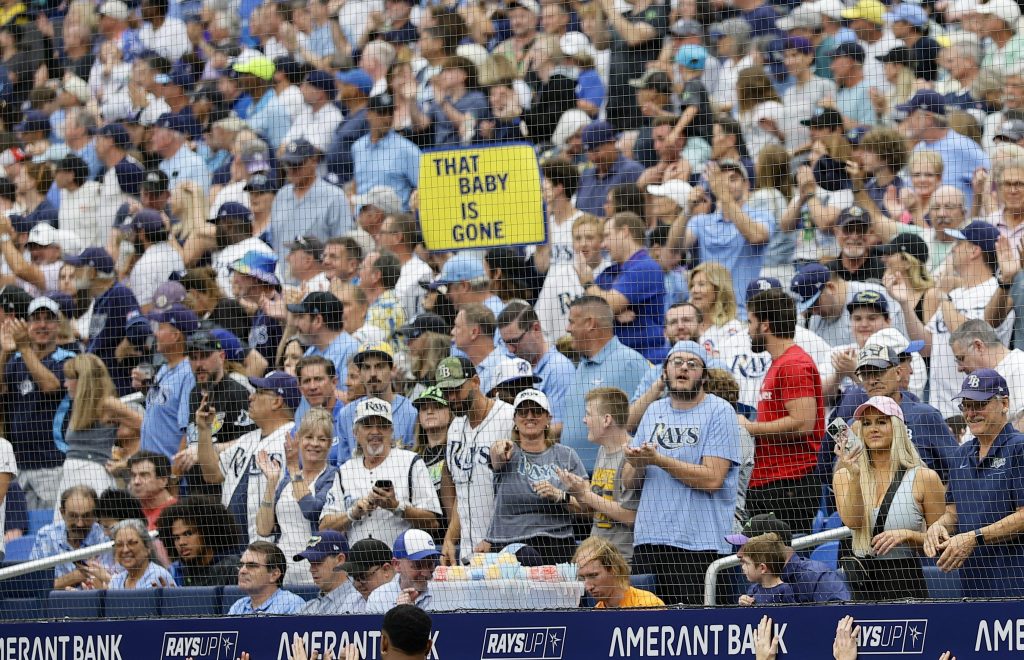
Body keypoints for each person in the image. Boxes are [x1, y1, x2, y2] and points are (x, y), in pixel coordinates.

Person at [626, 340, 740, 605]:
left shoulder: (719, 411)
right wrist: (639, 461)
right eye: (677, 362)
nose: (684, 368)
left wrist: (659, 460)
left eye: (692, 364)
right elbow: (629, 481)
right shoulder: (653, 411)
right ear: (664, 371)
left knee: (695, 624)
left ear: (704, 376)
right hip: (649, 540)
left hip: (699, 545)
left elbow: (712, 478)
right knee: (648, 623)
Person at [833, 396, 945, 601]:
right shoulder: (844, 476)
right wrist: (855, 476)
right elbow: (853, 521)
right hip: (861, 582)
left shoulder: (924, 478)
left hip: (904, 580)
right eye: (866, 423)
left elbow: (940, 542)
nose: (873, 429)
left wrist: (908, 536)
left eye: (882, 421)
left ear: (897, 427)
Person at [924, 370, 1024, 598]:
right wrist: (938, 526)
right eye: (966, 406)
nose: (970, 413)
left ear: (1004, 403)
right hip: (974, 584)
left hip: (1016, 583)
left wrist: (974, 537)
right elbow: (953, 513)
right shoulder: (961, 454)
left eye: (979, 405)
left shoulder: (1019, 448)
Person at [743, 289, 825, 536]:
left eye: (750, 322)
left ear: (765, 325)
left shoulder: (793, 364)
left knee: (781, 558)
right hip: (773, 482)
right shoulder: (780, 363)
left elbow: (802, 424)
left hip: (789, 484)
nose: (748, 330)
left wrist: (749, 427)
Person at [320, 398, 441, 546]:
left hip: (401, 558)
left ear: (391, 431)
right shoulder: (345, 471)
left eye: (382, 425)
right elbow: (324, 527)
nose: (375, 432)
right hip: (358, 559)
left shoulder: (411, 462)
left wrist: (396, 507)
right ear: (355, 432)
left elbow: (433, 523)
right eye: (367, 425)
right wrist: (353, 513)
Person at [487, 389, 587, 565]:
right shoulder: (506, 451)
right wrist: (497, 451)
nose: (530, 416)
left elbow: (588, 507)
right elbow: (496, 459)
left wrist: (560, 496)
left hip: (557, 541)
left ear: (548, 418)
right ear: (514, 420)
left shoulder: (566, 455)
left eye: (537, 411)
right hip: (509, 544)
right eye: (523, 412)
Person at [196, 371, 298, 541]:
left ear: (277, 401)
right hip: (234, 541)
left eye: (259, 392)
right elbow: (212, 474)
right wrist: (204, 429)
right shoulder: (247, 440)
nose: (251, 397)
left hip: (272, 542)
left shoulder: (294, 439)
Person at [437, 356, 516, 565]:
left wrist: (494, 538)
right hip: (468, 553)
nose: (452, 398)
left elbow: (519, 490)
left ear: (475, 381)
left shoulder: (508, 418)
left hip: (504, 551)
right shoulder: (455, 428)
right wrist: (450, 538)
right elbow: (462, 492)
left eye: (457, 390)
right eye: (446, 392)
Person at [1, 295, 74, 509]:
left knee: (51, 523)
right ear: (27, 325)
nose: (42, 325)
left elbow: (50, 386)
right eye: (36, 319)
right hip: (19, 466)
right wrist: (5, 352)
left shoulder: (68, 359)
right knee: (20, 527)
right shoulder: (15, 361)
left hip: (54, 463)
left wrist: (24, 348)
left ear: (58, 325)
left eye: (48, 319)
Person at [562, 296, 650, 471]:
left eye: (572, 322)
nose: (567, 328)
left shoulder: (630, 362)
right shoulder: (582, 364)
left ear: (590, 324)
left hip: (610, 475)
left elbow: (642, 420)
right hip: (575, 474)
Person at [256, 407, 337, 586]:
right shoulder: (286, 481)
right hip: (283, 573)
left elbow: (312, 510)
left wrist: (293, 469)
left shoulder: (333, 476)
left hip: (315, 573)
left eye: (322, 439)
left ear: (330, 444)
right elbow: (263, 529)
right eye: (309, 437)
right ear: (299, 439)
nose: (314, 443)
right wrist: (272, 483)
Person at [559, 387, 639, 559]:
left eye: (588, 414)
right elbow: (595, 510)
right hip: (596, 556)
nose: (584, 420)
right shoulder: (602, 450)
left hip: (620, 561)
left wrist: (585, 494)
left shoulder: (633, 455)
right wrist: (575, 492)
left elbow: (629, 516)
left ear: (606, 420)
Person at [576, 212, 666, 360]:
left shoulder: (646, 267)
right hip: (615, 358)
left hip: (645, 358)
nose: (603, 244)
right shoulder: (610, 272)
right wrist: (612, 314)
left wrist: (587, 283)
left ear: (624, 232)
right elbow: (586, 312)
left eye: (607, 236)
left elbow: (608, 304)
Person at [55, 354, 142, 507]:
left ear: (83, 380)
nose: (65, 384)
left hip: (93, 475)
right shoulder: (80, 406)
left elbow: (149, 428)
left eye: (69, 378)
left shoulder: (107, 404)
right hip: (69, 474)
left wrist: (127, 461)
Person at [727, 513, 851, 603]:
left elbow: (842, 616)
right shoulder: (757, 587)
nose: (739, 554)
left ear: (769, 547)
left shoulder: (816, 577)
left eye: (746, 547)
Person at [497, 301, 575, 428]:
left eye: (514, 341)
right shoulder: (514, 366)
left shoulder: (559, 369)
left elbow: (558, 426)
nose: (510, 350)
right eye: (505, 343)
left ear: (536, 329)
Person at [139, 303, 197, 458]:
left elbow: (187, 430)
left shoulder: (189, 373)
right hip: (150, 465)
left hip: (169, 466)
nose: (155, 333)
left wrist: (175, 470)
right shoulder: (164, 369)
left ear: (176, 335)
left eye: (161, 328)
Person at [30, 485, 108, 589]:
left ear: (95, 514)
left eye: (86, 516)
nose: (80, 524)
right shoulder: (46, 537)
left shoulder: (104, 538)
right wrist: (72, 578)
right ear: (62, 513)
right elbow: (33, 586)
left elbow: (112, 583)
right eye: (73, 516)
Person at [950, 319, 1024, 427]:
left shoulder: (1019, 365)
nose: (960, 368)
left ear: (978, 346)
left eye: (961, 358)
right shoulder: (979, 378)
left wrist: (1006, 439)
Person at [157, 496, 244, 587]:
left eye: (188, 534)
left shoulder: (232, 568)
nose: (181, 542)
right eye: (176, 538)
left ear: (207, 531)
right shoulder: (176, 573)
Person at [287, 290, 359, 393]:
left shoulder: (351, 349)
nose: (296, 324)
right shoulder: (312, 351)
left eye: (301, 317)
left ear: (317, 320)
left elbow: (351, 396)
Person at [576, 121, 643, 218]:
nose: (593, 158)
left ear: (612, 142)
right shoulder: (586, 175)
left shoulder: (632, 171)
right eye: (588, 152)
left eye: (596, 151)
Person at [574, 536, 663, 608]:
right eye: (583, 578)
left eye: (593, 575)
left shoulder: (648, 605)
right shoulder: (595, 615)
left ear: (613, 569)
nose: (588, 587)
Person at [365, 529, 440, 613]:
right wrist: (401, 613)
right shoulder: (378, 599)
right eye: (418, 566)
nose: (426, 573)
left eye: (430, 564)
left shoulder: (446, 590)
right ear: (397, 564)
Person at [228, 541, 306, 614]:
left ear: (274, 574)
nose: (242, 571)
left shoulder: (292, 604)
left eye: (252, 565)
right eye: (241, 565)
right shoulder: (238, 606)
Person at [296, 531, 363, 614]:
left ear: (340, 560)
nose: (312, 569)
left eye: (318, 561)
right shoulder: (306, 609)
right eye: (310, 562)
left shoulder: (361, 601)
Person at [97, 519, 174, 590]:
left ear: (147, 547)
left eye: (131, 543)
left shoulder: (158, 576)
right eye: (119, 545)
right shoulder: (117, 581)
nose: (125, 550)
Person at [737, 533, 796, 605]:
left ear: (762, 568)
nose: (743, 567)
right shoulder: (754, 589)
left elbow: (791, 612)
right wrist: (744, 603)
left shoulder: (783, 590)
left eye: (746, 563)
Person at [127, 451, 176, 529]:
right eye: (133, 475)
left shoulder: (177, 514)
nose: (136, 482)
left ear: (163, 481)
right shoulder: (129, 513)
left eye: (144, 475)